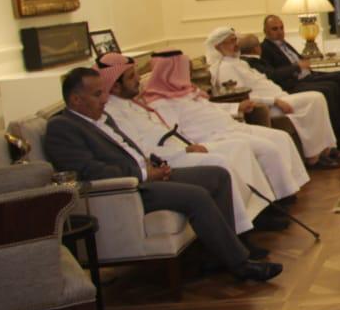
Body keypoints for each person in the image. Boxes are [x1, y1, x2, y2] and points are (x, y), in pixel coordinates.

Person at [44, 68, 281, 282]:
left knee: (217, 175)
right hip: (128, 189)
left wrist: (153, 164)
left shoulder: (101, 118)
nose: (105, 99)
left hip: (146, 174)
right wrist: (144, 173)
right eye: (97, 94)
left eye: (104, 92)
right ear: (75, 99)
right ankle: (240, 265)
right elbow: (90, 171)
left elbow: (129, 151)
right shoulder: (62, 127)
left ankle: (216, 256)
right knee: (197, 195)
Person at [97, 52, 282, 235]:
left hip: (183, 147)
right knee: (220, 162)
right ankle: (240, 231)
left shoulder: (131, 103)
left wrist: (187, 146)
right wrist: (184, 150)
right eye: (132, 76)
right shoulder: (113, 114)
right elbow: (141, 150)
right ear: (115, 87)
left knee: (238, 148)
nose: (139, 79)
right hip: (167, 158)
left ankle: (259, 213)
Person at [142, 51, 310, 202]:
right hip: (211, 138)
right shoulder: (160, 102)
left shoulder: (188, 91)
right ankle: (274, 199)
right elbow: (172, 132)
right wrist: (189, 147)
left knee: (280, 137)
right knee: (267, 148)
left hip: (231, 127)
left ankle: (287, 188)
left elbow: (213, 108)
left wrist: (237, 107)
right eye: (186, 70)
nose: (189, 74)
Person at [206, 27, 340, 169]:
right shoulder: (225, 68)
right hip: (270, 105)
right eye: (231, 41)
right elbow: (243, 97)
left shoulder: (238, 62)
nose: (236, 44)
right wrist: (275, 101)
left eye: (235, 40)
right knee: (315, 98)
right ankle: (313, 157)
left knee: (317, 97)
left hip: (280, 98)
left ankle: (325, 149)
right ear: (218, 47)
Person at [259, 15, 340, 140]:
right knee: (330, 88)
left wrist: (304, 61)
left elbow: (298, 58)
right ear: (266, 31)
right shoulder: (265, 48)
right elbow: (273, 74)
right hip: (295, 82)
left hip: (309, 75)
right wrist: (296, 66)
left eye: (281, 28)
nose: (280, 32)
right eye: (275, 29)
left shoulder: (284, 44)